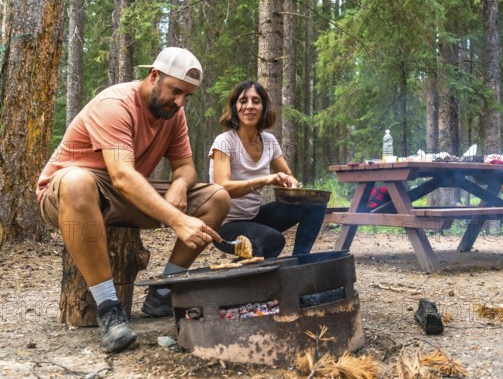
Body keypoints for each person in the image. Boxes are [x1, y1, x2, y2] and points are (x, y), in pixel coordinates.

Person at [36, 47, 230, 353]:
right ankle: (109, 310)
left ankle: (165, 290)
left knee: (217, 197)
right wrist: (177, 219)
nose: (179, 102)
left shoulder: (172, 115)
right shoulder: (116, 103)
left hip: (122, 192)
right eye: (175, 91)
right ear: (154, 76)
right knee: (77, 181)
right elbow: (123, 176)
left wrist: (180, 184)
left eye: (186, 97)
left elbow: (185, 166)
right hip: (69, 193)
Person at [209, 80, 326, 258]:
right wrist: (265, 180)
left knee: (314, 206)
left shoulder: (269, 141)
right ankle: (245, 273)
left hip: (255, 218)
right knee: (273, 240)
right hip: (226, 228)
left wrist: (291, 183)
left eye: (256, 101)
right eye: (243, 101)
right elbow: (223, 188)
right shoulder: (224, 142)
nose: (250, 106)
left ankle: (300, 262)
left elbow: (288, 175)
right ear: (235, 107)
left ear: (264, 107)